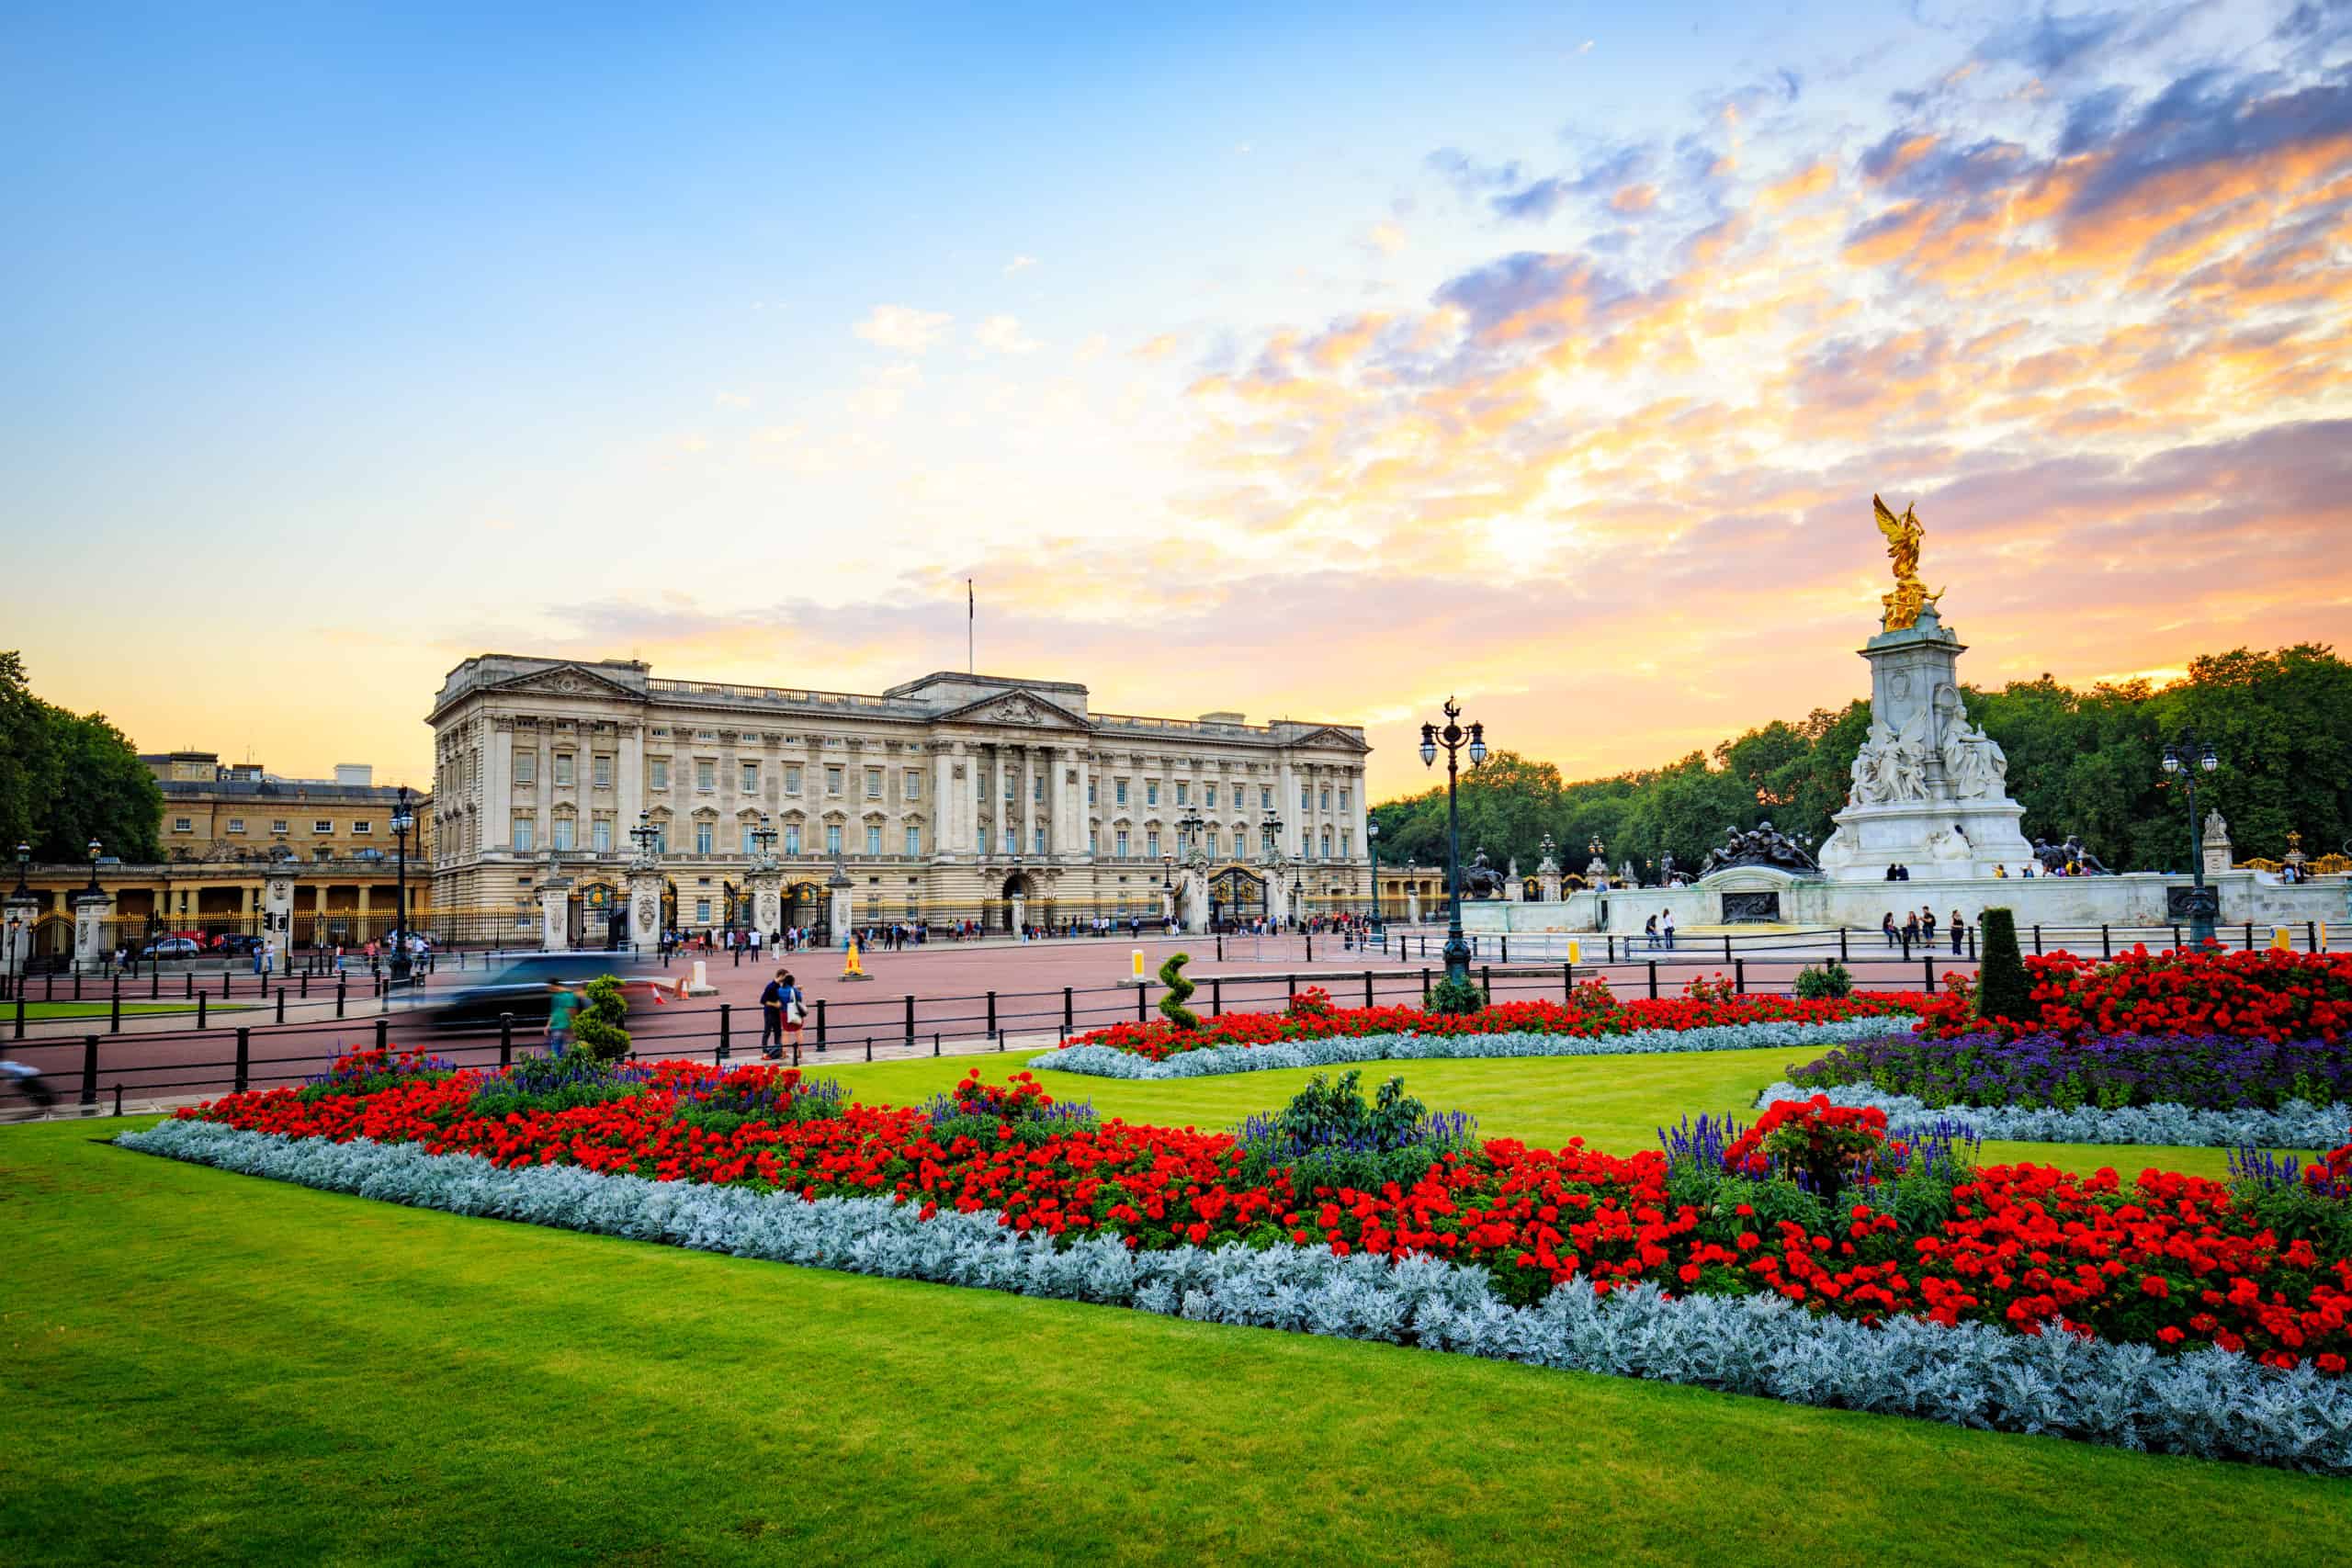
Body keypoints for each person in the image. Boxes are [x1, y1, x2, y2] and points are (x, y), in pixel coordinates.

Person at [758, 968, 786, 1058]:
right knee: (767, 1032)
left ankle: (777, 1052)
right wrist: (775, 1004)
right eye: (785, 977)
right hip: (769, 1012)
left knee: (778, 1032)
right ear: (781, 976)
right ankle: (765, 1052)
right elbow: (762, 1000)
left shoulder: (779, 986)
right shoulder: (770, 986)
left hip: (777, 1013)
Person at [545, 982, 581, 1053]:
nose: (548, 989)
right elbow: (572, 1011)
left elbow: (570, 1011)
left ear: (555, 986)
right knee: (568, 1050)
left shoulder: (560, 996)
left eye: (550, 986)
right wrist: (548, 1025)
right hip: (562, 1027)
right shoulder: (566, 996)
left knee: (557, 1051)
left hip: (561, 1028)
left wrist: (548, 1026)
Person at [776, 970, 804, 1054]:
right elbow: (799, 999)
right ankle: (800, 1051)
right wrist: (799, 991)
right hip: (795, 1012)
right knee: (798, 1032)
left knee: (785, 1033)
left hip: (784, 1012)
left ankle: (784, 1052)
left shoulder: (779, 990)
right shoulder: (794, 990)